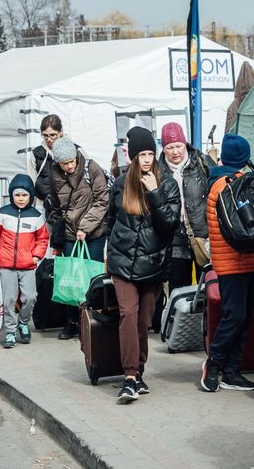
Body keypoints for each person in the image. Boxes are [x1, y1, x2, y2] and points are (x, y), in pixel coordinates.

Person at [107, 127, 181, 404]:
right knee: (127, 313)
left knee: (143, 321)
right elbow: (111, 221)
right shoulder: (120, 183)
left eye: (151, 153)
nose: (147, 159)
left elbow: (169, 225)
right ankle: (128, 376)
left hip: (152, 264)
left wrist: (155, 194)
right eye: (142, 154)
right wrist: (110, 255)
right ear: (133, 156)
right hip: (123, 262)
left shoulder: (168, 185)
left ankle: (139, 371)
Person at [200, 133, 254, 393]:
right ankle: (214, 364)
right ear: (245, 159)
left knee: (244, 317)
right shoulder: (225, 185)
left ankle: (232, 371)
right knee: (234, 316)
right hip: (230, 262)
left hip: (249, 259)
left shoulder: (231, 181)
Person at [48, 136, 111, 340]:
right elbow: (56, 207)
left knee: (91, 279)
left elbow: (103, 199)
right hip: (69, 234)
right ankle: (72, 322)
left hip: (93, 234)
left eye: (71, 161)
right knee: (70, 278)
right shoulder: (55, 175)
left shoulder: (91, 168)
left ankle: (92, 320)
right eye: (64, 163)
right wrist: (56, 238)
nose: (69, 166)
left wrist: (85, 227)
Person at [0, 174, 50, 348]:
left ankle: (23, 322)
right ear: (11, 195)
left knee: (30, 297)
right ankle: (10, 332)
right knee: (9, 299)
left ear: (30, 196)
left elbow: (42, 239)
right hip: (6, 265)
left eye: (24, 195)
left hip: (27, 265)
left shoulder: (36, 216)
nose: (21, 199)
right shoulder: (3, 213)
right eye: (17, 195)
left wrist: (36, 256)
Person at [157, 121, 215, 289]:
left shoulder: (202, 163)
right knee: (179, 290)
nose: (175, 152)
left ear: (185, 144)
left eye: (178, 146)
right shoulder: (158, 171)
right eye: (169, 147)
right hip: (174, 239)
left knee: (207, 289)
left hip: (204, 236)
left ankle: (205, 317)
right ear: (163, 148)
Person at [31, 114, 71, 252]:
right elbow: (32, 180)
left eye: (53, 135)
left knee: (67, 242)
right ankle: (46, 272)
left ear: (61, 132)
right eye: (45, 135)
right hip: (43, 204)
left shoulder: (75, 149)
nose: (49, 139)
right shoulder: (37, 153)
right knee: (45, 243)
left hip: (68, 204)